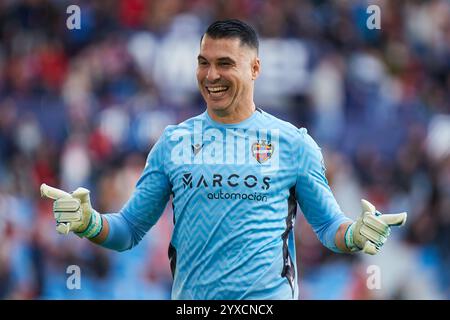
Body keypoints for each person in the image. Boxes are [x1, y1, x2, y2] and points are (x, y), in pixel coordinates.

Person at [41, 19, 407, 300]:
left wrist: (356, 234)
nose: (211, 75)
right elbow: (128, 231)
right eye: (204, 63)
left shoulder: (293, 144)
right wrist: (89, 222)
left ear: (255, 69)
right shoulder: (173, 143)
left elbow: (329, 229)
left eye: (225, 63)